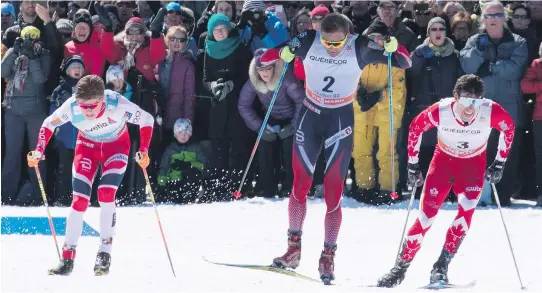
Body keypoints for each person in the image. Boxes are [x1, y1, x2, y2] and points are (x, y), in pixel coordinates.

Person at [273, 13, 412, 283]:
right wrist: (285, 53)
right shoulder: (310, 39)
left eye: (336, 44)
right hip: (310, 115)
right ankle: (293, 249)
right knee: (300, 185)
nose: (330, 48)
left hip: (340, 119)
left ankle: (328, 257)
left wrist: (397, 47)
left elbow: (404, 61)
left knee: (334, 192)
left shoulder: (360, 45)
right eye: (326, 42)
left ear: (347, 35)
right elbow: (267, 56)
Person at [376, 74, 515, 287]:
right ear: (455, 97)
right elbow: (415, 128)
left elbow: (509, 128)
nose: (471, 107)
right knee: (425, 218)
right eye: (466, 100)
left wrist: (499, 162)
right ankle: (400, 268)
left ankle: (441, 267)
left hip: (472, 167)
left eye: (476, 101)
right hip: (442, 165)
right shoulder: (441, 110)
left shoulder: (490, 110)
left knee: (465, 213)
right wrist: (413, 165)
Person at [27, 75, 154, 276]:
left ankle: (104, 253)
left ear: (102, 101)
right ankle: (67, 258)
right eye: (82, 106)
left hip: (116, 147)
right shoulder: (72, 106)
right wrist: (39, 150)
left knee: (105, 194)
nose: (86, 111)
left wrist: (144, 150)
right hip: (87, 148)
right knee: (79, 201)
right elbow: (49, 123)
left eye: (91, 107)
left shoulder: (116, 104)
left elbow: (147, 119)